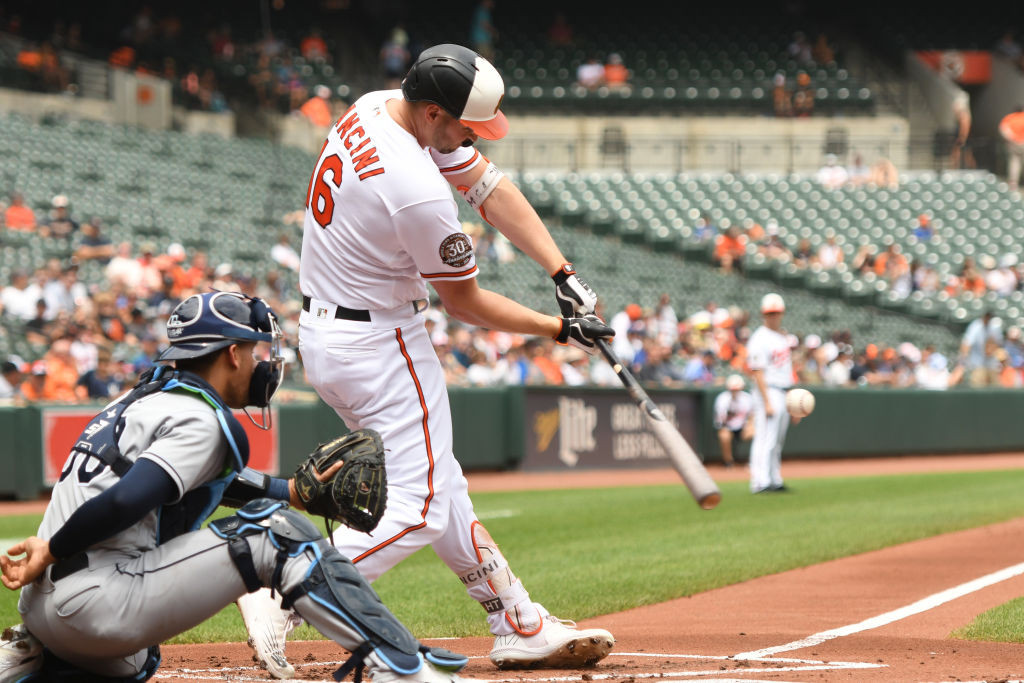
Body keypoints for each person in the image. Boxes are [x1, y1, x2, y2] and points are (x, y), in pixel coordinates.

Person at [236, 43, 616, 677]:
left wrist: (561, 272)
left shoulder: (376, 108)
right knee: (420, 503)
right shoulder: (415, 188)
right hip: (380, 343)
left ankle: (516, 619)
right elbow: (465, 303)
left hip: (336, 332)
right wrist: (558, 329)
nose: (472, 136)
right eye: (466, 125)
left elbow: (488, 186)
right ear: (435, 111)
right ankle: (287, 588)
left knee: (441, 482)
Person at [0, 291, 481, 683]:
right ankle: (402, 668)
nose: (262, 363)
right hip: (92, 604)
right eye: (256, 351)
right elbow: (128, 498)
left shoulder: (144, 400)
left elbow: (197, 482)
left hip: (46, 610)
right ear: (232, 354)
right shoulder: (199, 418)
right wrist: (52, 549)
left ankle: (39, 655)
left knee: (139, 659)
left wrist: (288, 490)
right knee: (277, 535)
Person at [746, 293, 796, 494]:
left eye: (776, 313)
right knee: (765, 437)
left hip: (783, 390)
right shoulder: (759, 338)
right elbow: (757, 372)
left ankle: (774, 478)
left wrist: (792, 401)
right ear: (763, 314)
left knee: (777, 440)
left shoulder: (781, 337)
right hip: (768, 390)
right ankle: (760, 481)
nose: (773, 316)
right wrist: (766, 401)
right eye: (770, 313)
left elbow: (786, 371)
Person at [713, 374, 754, 468]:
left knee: (754, 432)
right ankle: (728, 462)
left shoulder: (747, 398)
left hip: (742, 427)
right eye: (733, 389)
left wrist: (749, 425)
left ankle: (753, 460)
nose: (735, 391)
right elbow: (720, 422)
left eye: (737, 389)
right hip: (727, 427)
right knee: (724, 435)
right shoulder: (723, 399)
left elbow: (752, 415)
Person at [998, 106, 1024, 192]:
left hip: (1013, 144)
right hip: (1022, 143)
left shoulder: (1009, 117)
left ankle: (1013, 184)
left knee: (1014, 163)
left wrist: (1011, 139)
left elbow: (1003, 130)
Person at [950, 93, 975, 170]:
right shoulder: (961, 116)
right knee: (965, 156)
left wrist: (962, 139)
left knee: (965, 157)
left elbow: (965, 128)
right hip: (961, 138)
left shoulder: (964, 115)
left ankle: (971, 170)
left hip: (963, 138)